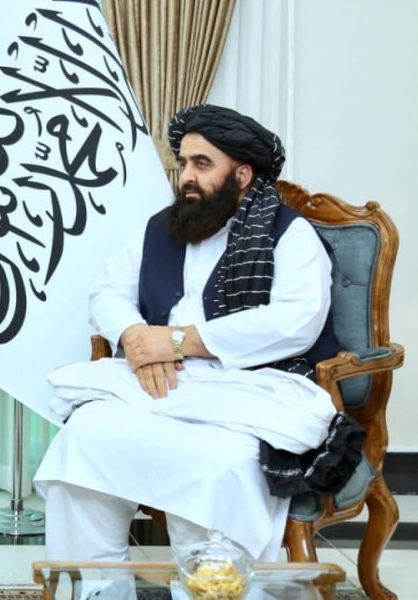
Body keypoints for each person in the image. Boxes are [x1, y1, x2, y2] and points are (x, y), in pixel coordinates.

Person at [33, 104, 360, 566]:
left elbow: (295, 321)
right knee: (85, 436)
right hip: (160, 382)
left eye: (202, 164)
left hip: (254, 385)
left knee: (215, 464)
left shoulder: (291, 234)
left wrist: (176, 342)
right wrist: (136, 335)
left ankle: (211, 590)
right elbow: (107, 292)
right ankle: (97, 587)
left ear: (242, 175)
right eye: (184, 162)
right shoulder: (162, 228)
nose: (186, 175)